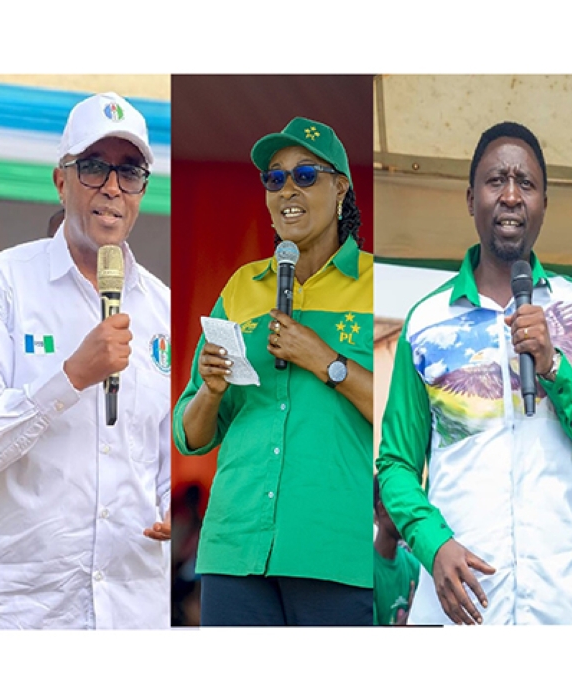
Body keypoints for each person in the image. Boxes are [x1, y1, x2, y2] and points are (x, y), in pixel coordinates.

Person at [0, 92, 171, 629]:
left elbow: (161, 447)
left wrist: (166, 503)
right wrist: (71, 377)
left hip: (130, 608)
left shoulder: (162, 305)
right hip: (19, 613)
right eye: (94, 167)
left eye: (130, 171)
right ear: (61, 181)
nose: (113, 187)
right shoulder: (3, 285)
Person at [376, 121, 572, 625]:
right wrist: (433, 545)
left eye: (527, 183)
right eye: (496, 181)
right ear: (471, 199)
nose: (512, 196)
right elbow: (395, 464)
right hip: (460, 610)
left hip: (563, 605)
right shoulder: (425, 323)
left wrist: (554, 366)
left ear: (544, 203)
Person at [174, 117, 373, 626]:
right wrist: (211, 391)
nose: (287, 188)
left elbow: (402, 417)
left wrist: (325, 360)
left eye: (305, 175)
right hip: (233, 550)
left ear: (341, 187)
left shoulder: (376, 283)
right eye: (274, 178)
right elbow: (190, 437)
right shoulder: (242, 287)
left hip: (334, 552)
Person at [373, 476, 419, 625]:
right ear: (382, 509)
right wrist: (413, 616)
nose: (409, 515)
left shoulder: (413, 564)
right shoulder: (366, 572)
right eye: (401, 507)